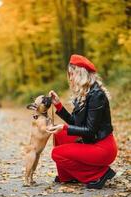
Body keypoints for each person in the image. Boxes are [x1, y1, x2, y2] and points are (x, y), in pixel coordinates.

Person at [46, 54, 118, 189]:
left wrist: (65, 128)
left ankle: (99, 174)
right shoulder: (86, 93)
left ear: (80, 74)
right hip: (92, 142)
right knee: (59, 134)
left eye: (71, 74)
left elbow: (90, 131)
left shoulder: (97, 95)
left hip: (102, 148)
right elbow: (77, 124)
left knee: (57, 153)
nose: (70, 78)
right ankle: (68, 176)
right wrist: (58, 106)